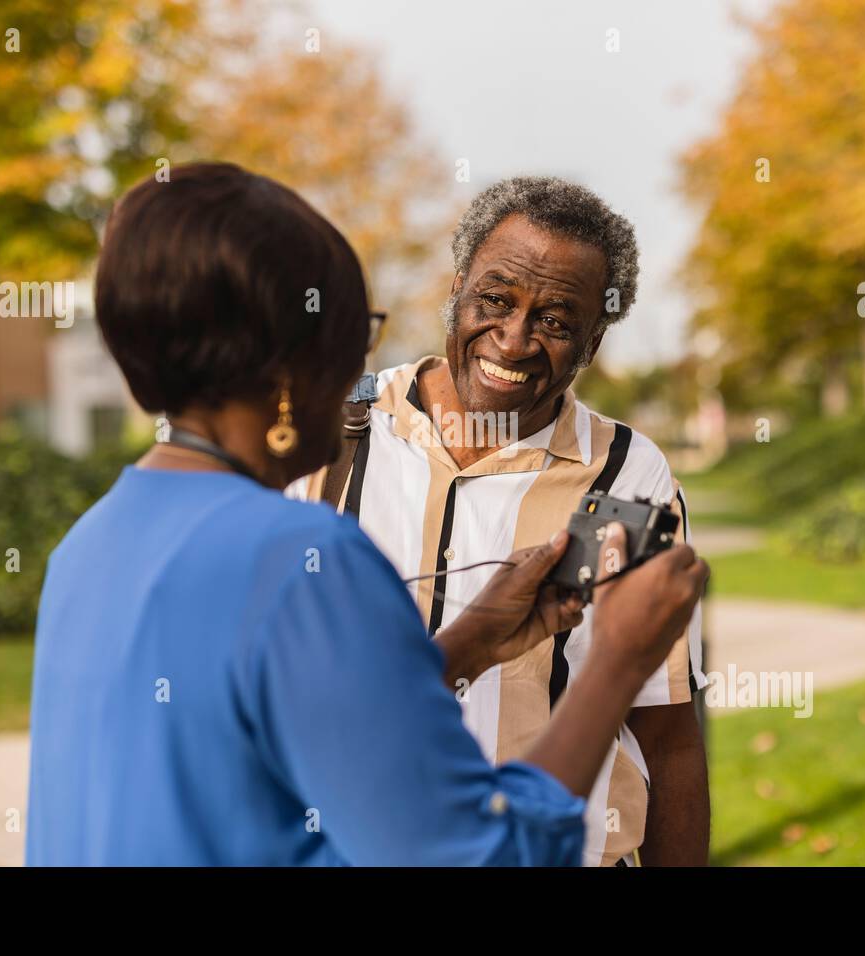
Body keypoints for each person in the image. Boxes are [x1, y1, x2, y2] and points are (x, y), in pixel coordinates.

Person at [24, 162, 709, 866]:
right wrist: (618, 663)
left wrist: (470, 641)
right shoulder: (301, 559)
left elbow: (302, 742)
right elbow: (481, 856)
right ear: (293, 366)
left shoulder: (91, 543)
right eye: (358, 329)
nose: (367, 363)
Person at [291, 177, 708, 866]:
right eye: (495, 299)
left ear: (593, 342)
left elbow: (665, 730)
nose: (513, 342)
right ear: (456, 291)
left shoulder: (628, 474)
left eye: (555, 320)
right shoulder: (332, 429)